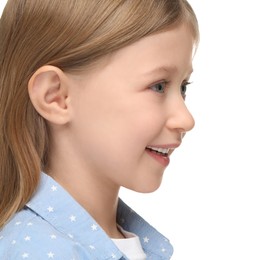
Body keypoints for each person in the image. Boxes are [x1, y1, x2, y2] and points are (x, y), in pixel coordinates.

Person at [0, 0, 199, 259]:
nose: (186, 119)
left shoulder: (128, 243)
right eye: (158, 86)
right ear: (55, 96)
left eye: (183, 87)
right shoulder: (37, 251)